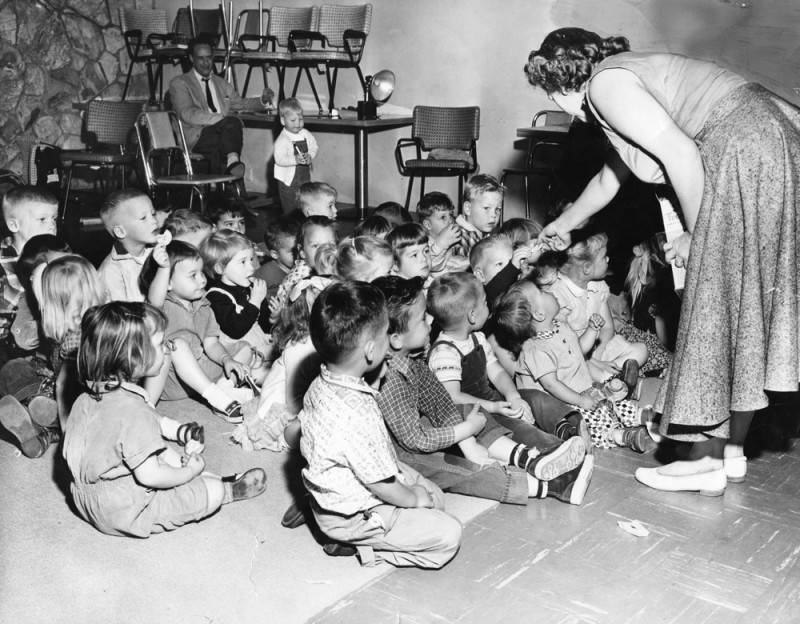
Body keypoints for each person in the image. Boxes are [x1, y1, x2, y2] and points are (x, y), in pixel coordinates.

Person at [527, 27, 800, 494]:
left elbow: (680, 153)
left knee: (712, 307)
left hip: (743, 141)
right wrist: (566, 222)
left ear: (558, 85)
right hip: (768, 134)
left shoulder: (603, 86)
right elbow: (611, 178)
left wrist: (697, 234)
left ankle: (706, 460)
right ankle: (729, 450)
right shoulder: (624, 75)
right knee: (742, 307)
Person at [373, 275, 594, 505]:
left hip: (443, 424)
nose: (430, 321)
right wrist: (466, 431)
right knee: (461, 470)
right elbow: (416, 439)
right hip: (408, 454)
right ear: (397, 339)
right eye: (421, 319)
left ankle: (558, 439)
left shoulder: (415, 359)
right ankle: (550, 478)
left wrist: (471, 433)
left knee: (507, 404)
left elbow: (439, 400)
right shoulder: (391, 381)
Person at [62, 301, 267, 538]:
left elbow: (128, 432)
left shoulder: (88, 399)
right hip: (126, 510)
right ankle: (224, 489)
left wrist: (177, 438)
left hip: (86, 500)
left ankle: (197, 476)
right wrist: (188, 472)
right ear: (134, 357)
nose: (168, 348)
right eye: (160, 343)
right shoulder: (135, 412)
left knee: (157, 450)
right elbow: (149, 475)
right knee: (210, 492)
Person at [299, 280, 463, 568]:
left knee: (435, 497)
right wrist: (413, 499)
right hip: (355, 513)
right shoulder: (356, 414)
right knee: (448, 535)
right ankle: (358, 545)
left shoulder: (321, 379)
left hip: (348, 483)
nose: (392, 336)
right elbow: (381, 484)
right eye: (388, 331)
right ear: (372, 352)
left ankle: (324, 513)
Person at [427, 272, 589, 460]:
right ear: (472, 315)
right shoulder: (444, 353)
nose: (488, 306)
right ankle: (554, 450)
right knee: (518, 428)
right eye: (485, 303)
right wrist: (493, 407)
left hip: (492, 400)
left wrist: (513, 395)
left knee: (535, 396)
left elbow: (497, 373)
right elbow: (454, 397)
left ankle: (567, 424)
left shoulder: (477, 338)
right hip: (470, 414)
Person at [493, 280, 656, 453]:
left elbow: (578, 350)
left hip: (581, 388)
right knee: (590, 419)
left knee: (607, 402)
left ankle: (641, 416)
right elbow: (551, 385)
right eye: (541, 292)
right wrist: (580, 401)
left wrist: (592, 331)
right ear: (539, 314)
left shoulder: (559, 326)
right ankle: (619, 436)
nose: (548, 290)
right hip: (562, 401)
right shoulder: (535, 350)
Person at [140, 240, 255, 422]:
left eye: (201, 272)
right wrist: (163, 269)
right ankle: (218, 399)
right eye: (193, 275)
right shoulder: (163, 305)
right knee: (176, 345)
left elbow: (211, 344)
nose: (202, 279)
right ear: (168, 283)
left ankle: (224, 389)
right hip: (172, 380)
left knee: (245, 349)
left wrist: (226, 360)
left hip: (202, 372)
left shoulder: (204, 305)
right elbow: (154, 299)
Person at [543, 232, 646, 393]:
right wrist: (593, 362)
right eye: (604, 257)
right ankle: (611, 383)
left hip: (597, 350)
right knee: (579, 369)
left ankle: (615, 377)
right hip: (573, 355)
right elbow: (565, 348)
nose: (608, 260)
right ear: (587, 268)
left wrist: (598, 356)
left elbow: (607, 329)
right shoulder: (558, 296)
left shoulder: (598, 286)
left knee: (641, 349)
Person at [169, 38, 273, 176]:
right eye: (201, 58)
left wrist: (262, 101)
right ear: (191, 59)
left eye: (209, 58)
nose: (206, 63)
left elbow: (240, 103)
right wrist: (220, 120)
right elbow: (187, 113)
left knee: (225, 137)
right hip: (196, 136)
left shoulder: (221, 83)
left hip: (222, 132)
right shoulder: (180, 83)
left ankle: (230, 170)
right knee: (230, 125)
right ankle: (232, 174)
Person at [0, 186, 58, 355]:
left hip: (33, 334)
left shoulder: (53, 254)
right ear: (13, 224)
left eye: (54, 218)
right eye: (42, 219)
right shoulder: (3, 259)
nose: (51, 226)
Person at [201, 230, 272, 362]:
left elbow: (265, 324)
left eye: (251, 259)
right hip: (241, 356)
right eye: (243, 262)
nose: (251, 268)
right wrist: (255, 301)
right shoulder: (216, 296)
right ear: (220, 269)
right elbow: (236, 330)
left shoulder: (249, 288)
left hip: (261, 347)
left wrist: (273, 317)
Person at [97, 189, 160, 302]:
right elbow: (120, 316)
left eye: (153, 213)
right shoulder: (111, 272)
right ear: (121, 231)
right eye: (143, 218)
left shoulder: (158, 252)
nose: (154, 221)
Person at [273, 98, 319, 213]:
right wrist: (295, 159)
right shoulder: (283, 139)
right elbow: (279, 159)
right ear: (283, 121)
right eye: (293, 120)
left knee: (304, 204)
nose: (298, 123)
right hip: (288, 181)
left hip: (304, 178)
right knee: (290, 208)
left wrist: (310, 155)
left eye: (301, 119)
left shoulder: (305, 134)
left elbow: (314, 146)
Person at [416, 191, 468, 277]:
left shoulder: (451, 237)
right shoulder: (423, 244)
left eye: (451, 215)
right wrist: (440, 245)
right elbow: (431, 265)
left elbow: (456, 259)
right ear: (428, 225)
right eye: (443, 217)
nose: (450, 220)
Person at [453, 174, 502, 256]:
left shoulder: (484, 233)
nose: (494, 215)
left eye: (498, 209)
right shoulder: (459, 237)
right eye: (486, 208)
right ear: (468, 208)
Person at [254, 216, 299, 295]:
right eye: (293, 251)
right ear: (275, 254)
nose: (300, 254)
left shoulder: (306, 267)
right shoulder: (265, 276)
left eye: (302, 248)